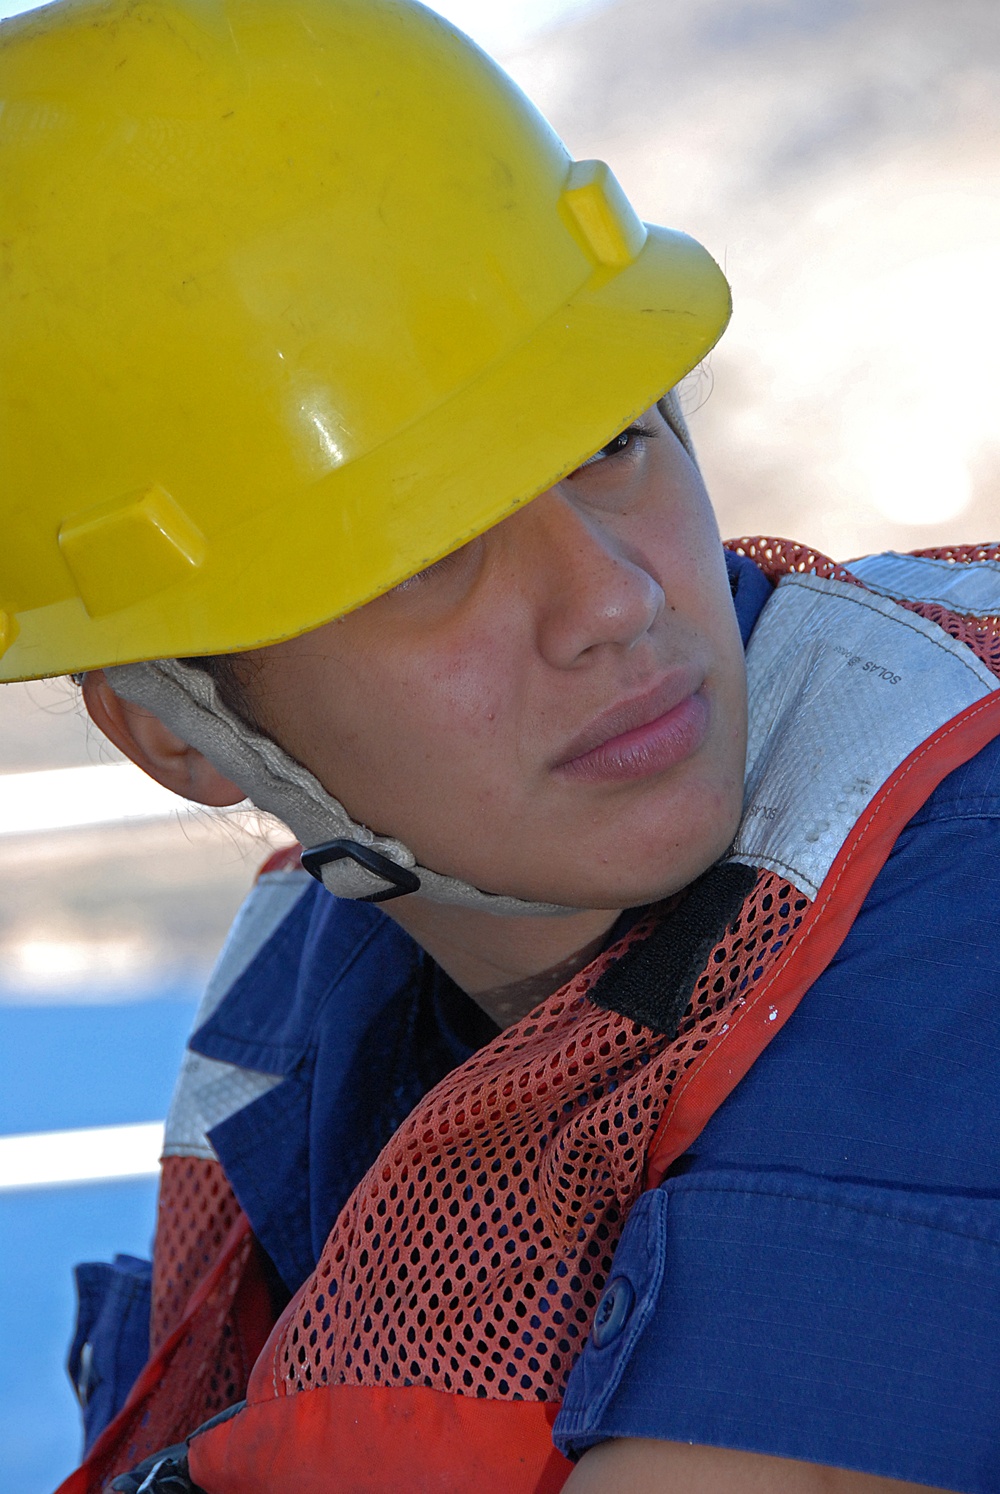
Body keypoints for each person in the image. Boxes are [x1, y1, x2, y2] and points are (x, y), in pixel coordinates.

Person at [3, 0, 1000, 1490]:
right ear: (176, 731)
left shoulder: (957, 866)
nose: (616, 595)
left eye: (611, 437)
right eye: (418, 552)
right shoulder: (323, 1013)